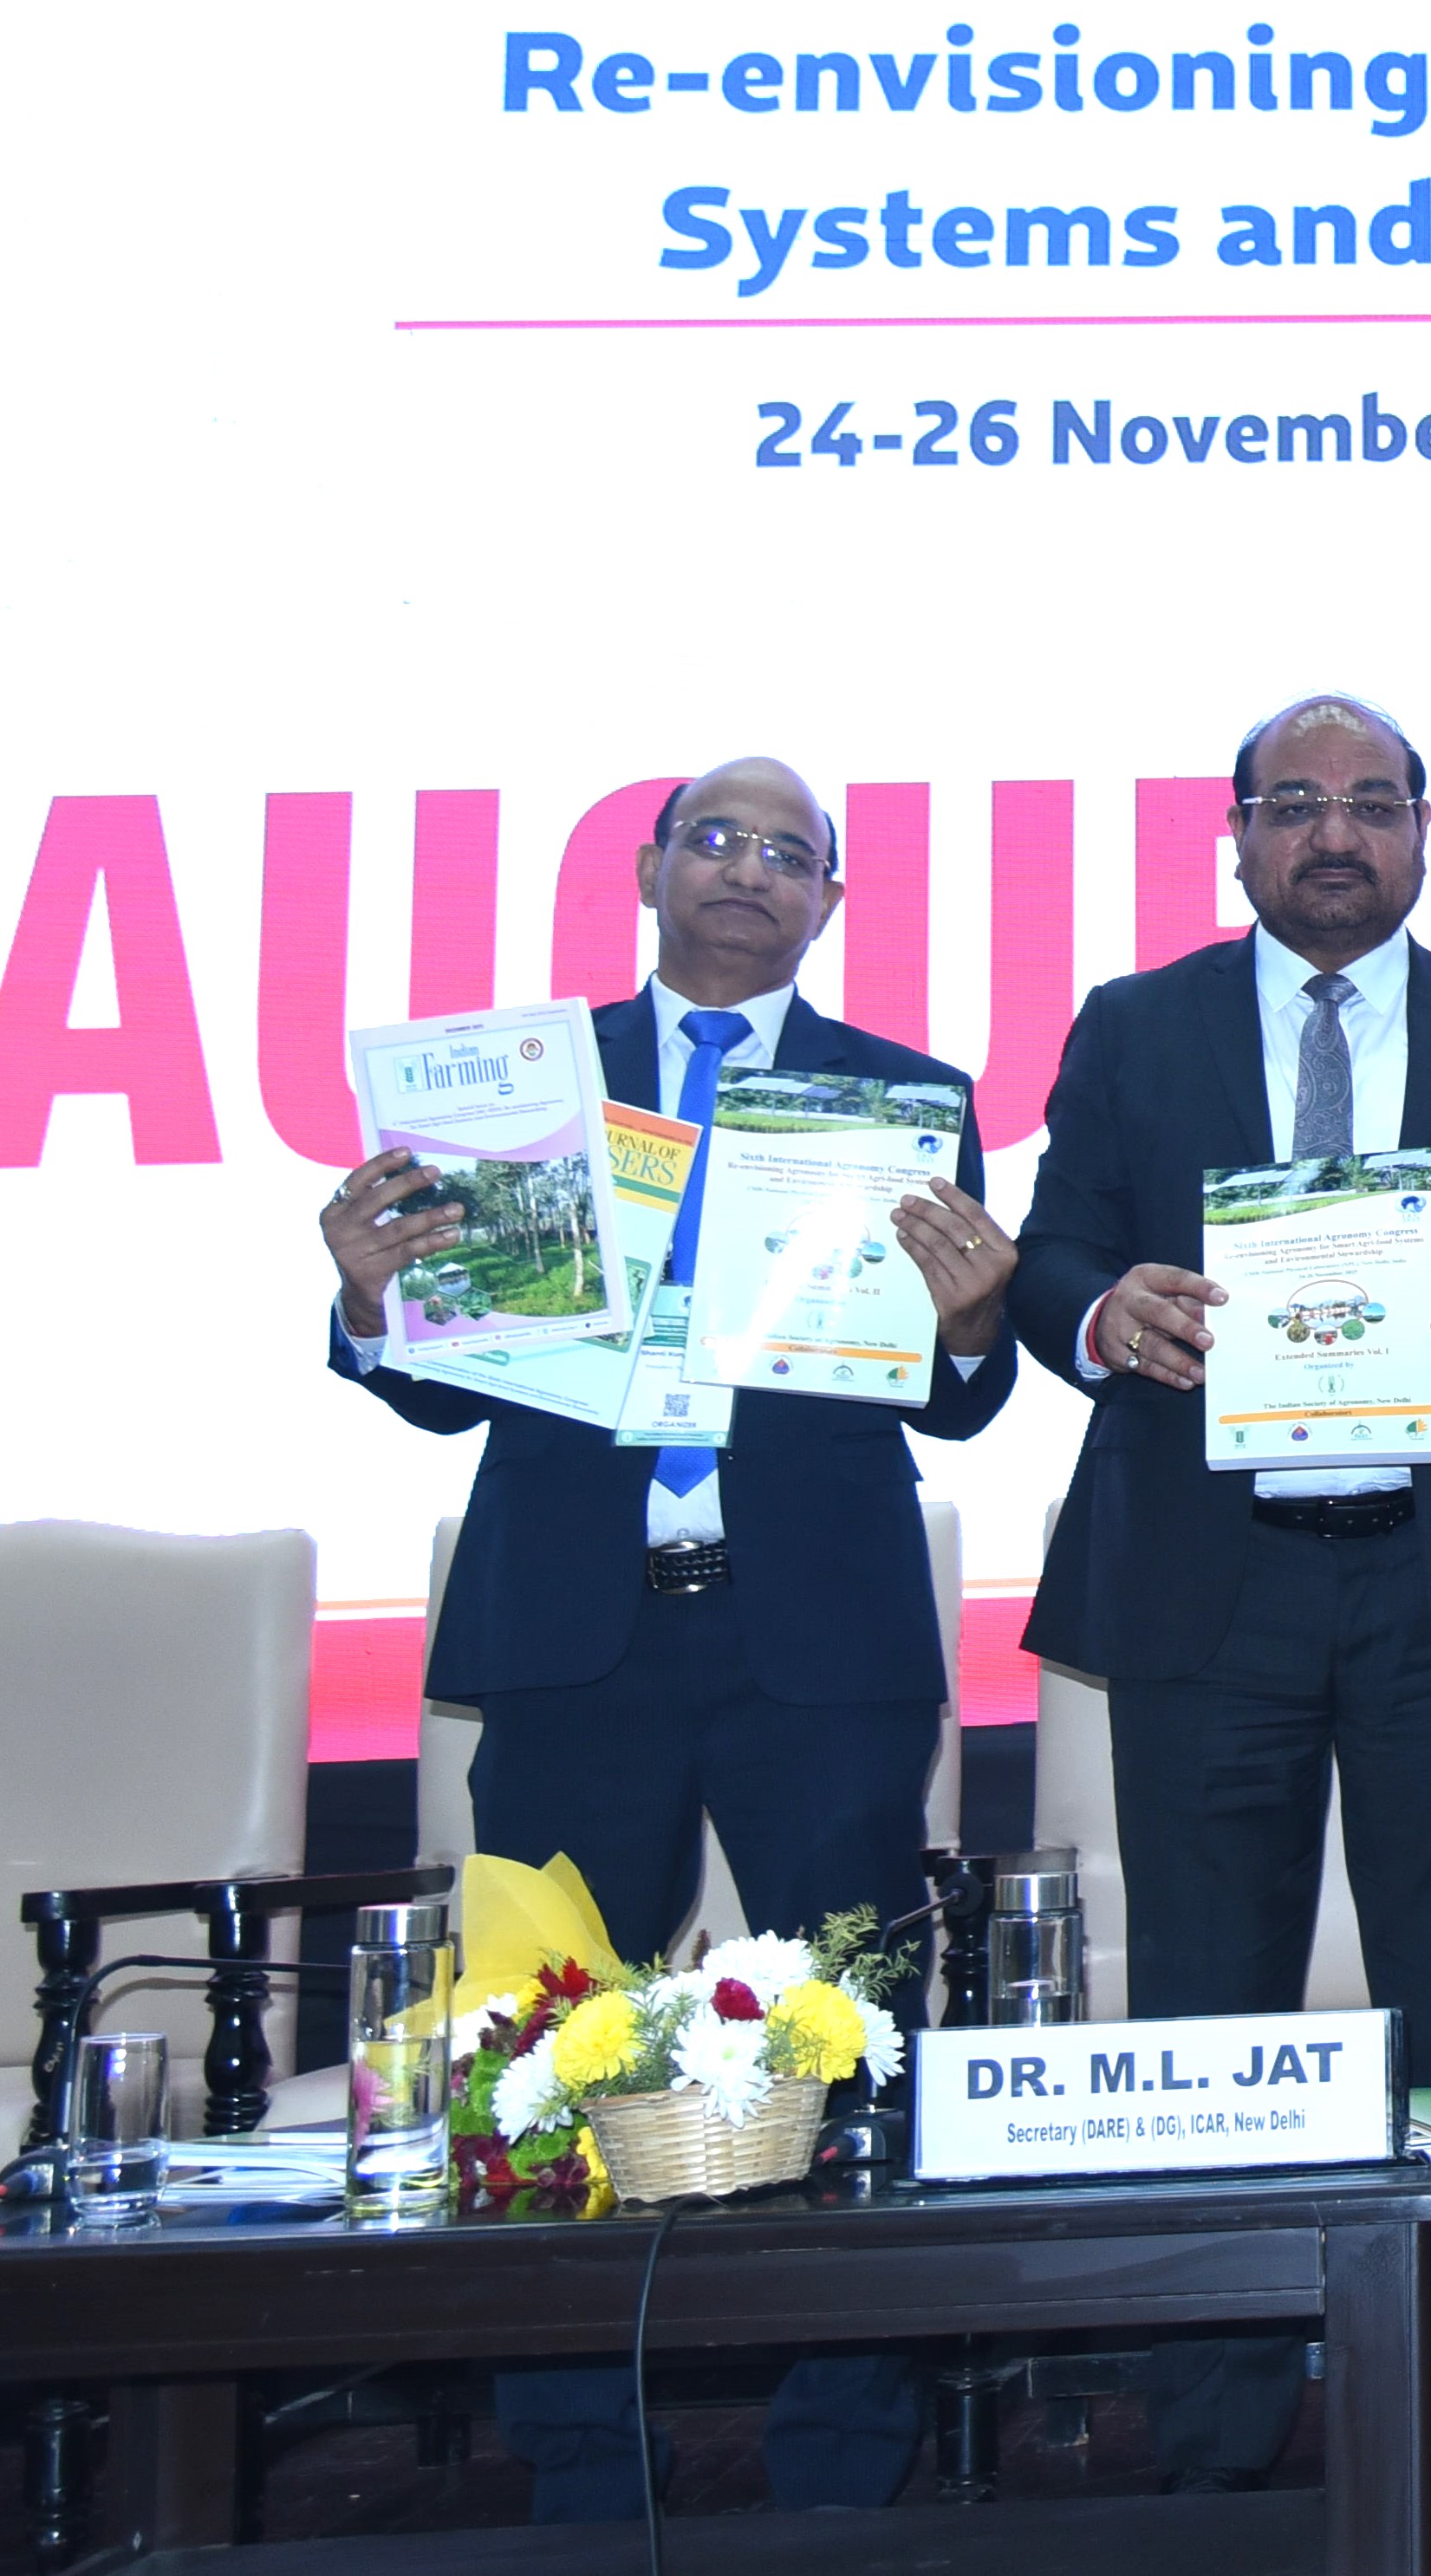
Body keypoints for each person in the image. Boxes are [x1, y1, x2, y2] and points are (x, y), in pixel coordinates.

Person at [322, 756, 1018, 2517]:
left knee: (852, 2047)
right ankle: (576, 2462)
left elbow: (954, 1394)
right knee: (542, 2051)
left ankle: (843, 2466)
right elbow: (441, 1380)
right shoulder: (524, 1093)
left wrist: (969, 1325)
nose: (747, 869)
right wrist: (370, 1299)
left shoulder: (904, 1097)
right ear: (647, 867)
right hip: (577, 1637)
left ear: (829, 902)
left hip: (820, 1647)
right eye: (716, 837)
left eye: (789, 852)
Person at [1011, 694, 1431, 2569]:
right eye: (1295, 802)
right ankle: (1217, 2439)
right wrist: (1100, 1310)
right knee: (1204, 2019)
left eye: (1372, 803)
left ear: (1424, 833)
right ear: (1234, 834)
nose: (1334, 834)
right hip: (1207, 1588)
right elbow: (1047, 1256)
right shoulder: (1133, 1026)